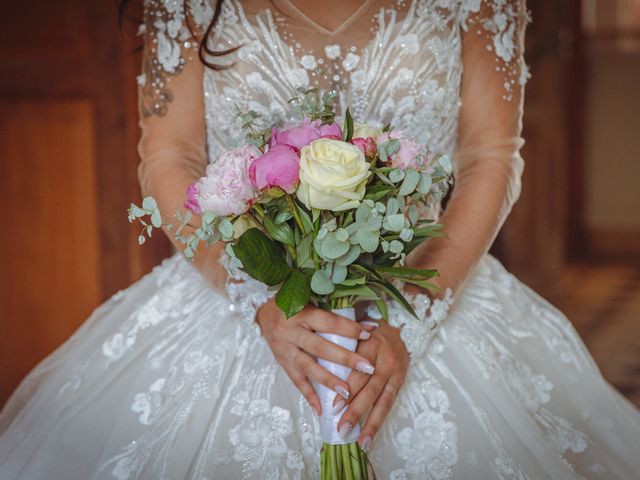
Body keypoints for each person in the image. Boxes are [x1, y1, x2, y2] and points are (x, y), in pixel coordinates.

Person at [1, 1, 639, 478]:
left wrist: (410, 316)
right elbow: (170, 155)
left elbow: (490, 155)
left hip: (428, 288)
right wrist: (256, 294)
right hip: (240, 296)